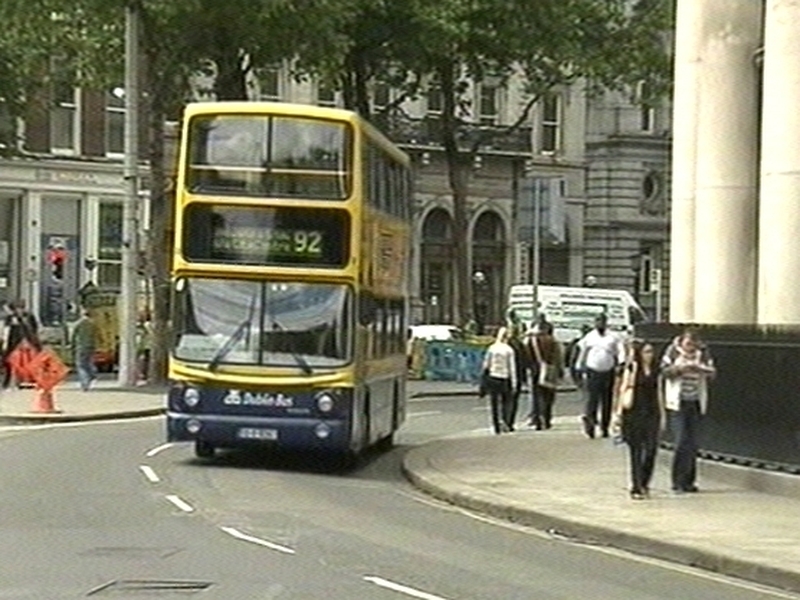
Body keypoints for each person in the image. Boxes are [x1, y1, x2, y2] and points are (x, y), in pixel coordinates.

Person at [661, 330, 715, 493]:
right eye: (688, 344)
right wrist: (680, 369)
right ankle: (677, 481)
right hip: (678, 403)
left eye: (693, 345)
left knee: (693, 443)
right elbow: (664, 372)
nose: (690, 348)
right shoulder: (672, 352)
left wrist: (701, 369)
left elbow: (712, 372)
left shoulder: (703, 354)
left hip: (695, 402)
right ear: (682, 342)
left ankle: (689, 481)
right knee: (681, 441)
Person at [614, 340, 663, 500]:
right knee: (636, 451)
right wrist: (619, 413)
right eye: (646, 352)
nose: (649, 355)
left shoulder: (656, 370)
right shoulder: (633, 368)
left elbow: (660, 392)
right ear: (639, 354)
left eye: (651, 352)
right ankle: (636, 486)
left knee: (651, 450)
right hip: (634, 412)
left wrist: (663, 414)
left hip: (652, 412)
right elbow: (623, 390)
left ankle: (644, 481)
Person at [575, 313, 623, 438]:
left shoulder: (614, 337)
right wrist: (579, 367)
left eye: (602, 321)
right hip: (593, 371)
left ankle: (604, 427)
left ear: (606, 322)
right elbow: (583, 352)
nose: (600, 323)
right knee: (592, 400)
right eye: (597, 321)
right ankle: (590, 424)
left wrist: (620, 365)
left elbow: (620, 352)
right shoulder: (589, 337)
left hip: (608, 372)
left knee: (606, 400)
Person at [481, 327, 518, 434]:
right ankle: (505, 422)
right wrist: (514, 383)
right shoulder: (509, 350)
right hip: (504, 378)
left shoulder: (492, 348)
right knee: (506, 402)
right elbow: (512, 367)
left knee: (494, 403)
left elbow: (486, 364)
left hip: (493, 377)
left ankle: (495, 425)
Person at [528, 321, 563, 430]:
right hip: (550, 370)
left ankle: (537, 419)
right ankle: (547, 419)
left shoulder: (531, 341)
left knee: (536, 395)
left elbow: (526, 356)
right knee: (549, 396)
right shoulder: (553, 341)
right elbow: (558, 358)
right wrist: (559, 371)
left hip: (535, 370)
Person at [1, 300, 40, 389]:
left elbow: (34, 329)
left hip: (28, 342)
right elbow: (7, 331)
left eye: (21, 308)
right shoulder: (10, 317)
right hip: (14, 343)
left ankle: (28, 380)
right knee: (10, 362)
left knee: (29, 362)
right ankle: (8, 382)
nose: (20, 310)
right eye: (18, 308)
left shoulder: (29, 316)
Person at [71, 309, 98, 391]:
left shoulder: (79, 323)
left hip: (81, 346)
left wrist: (72, 346)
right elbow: (97, 335)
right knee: (89, 362)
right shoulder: (93, 324)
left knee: (81, 365)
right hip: (91, 346)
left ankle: (85, 384)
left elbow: (73, 336)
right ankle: (92, 374)